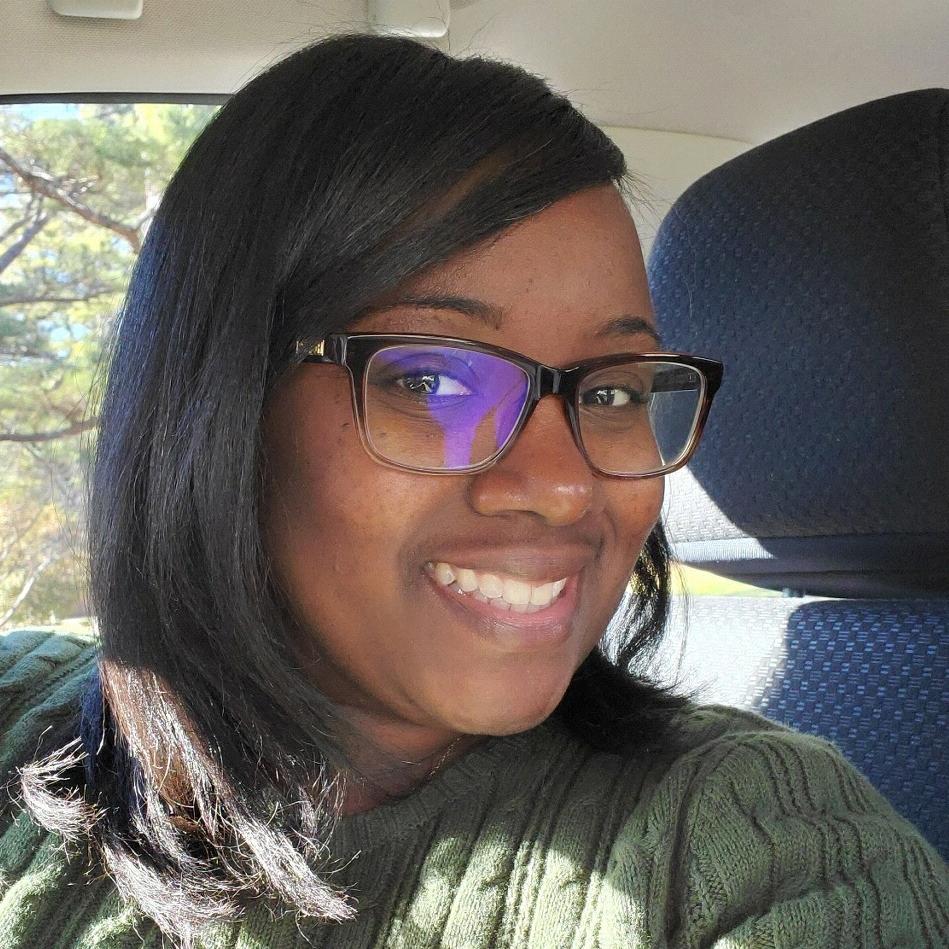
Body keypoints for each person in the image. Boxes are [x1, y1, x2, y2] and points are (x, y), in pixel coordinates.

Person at [0, 31, 946, 949]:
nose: (563, 488)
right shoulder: (18, 710)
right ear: (220, 405)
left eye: (612, 391)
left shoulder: (774, 848)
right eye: (432, 379)